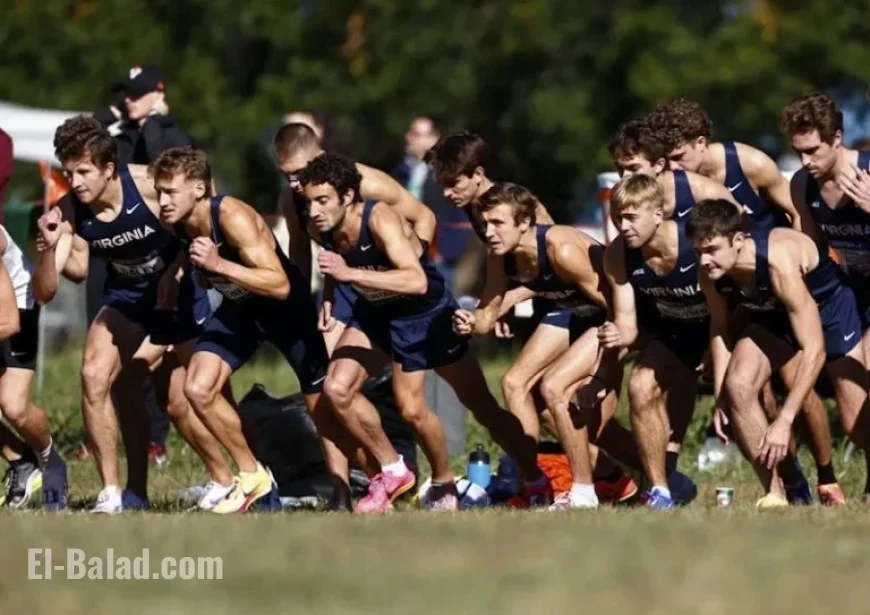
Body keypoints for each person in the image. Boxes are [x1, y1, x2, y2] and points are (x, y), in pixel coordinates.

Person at [298, 153, 553, 511]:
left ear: (348, 196)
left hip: (425, 315)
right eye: (308, 202)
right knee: (336, 388)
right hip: (374, 314)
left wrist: (349, 276)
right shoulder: (319, 227)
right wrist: (329, 297)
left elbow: (416, 281)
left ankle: (533, 477)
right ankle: (392, 469)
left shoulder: (381, 218)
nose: (313, 210)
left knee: (465, 407)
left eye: (322, 200)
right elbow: (334, 265)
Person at [150, 146, 379, 513]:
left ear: (198, 189)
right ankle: (252, 476)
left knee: (323, 413)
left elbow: (280, 285)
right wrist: (174, 272)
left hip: (286, 311)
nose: (162, 201)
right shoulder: (174, 218)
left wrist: (218, 266)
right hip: (242, 309)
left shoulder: (233, 215)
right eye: (159, 192)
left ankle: (377, 481)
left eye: (170, 192)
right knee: (198, 386)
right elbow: (187, 244)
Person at [425, 130, 638, 504]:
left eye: (452, 182)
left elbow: (553, 263)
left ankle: (643, 476)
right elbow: (508, 279)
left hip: (594, 307)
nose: (446, 193)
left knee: (579, 409)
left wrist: (506, 302)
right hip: (563, 304)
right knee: (518, 386)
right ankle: (538, 481)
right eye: (441, 184)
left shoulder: (518, 207)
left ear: (477, 174)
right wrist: (485, 314)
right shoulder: (483, 215)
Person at [34, 116, 234, 513]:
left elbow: (205, 204)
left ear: (109, 169)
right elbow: (46, 291)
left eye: (84, 172)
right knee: (96, 375)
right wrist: (47, 246)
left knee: (183, 401)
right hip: (127, 298)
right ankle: (116, 493)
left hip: (177, 291)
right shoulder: (70, 210)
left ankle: (237, 477)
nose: (75, 183)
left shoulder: (145, 183)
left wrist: (179, 269)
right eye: (68, 172)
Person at [648, 99, 836, 503]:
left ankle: (826, 476)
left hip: (786, 277)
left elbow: (798, 212)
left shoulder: (750, 164)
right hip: (740, 291)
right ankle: (785, 485)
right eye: (666, 160)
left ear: (701, 142)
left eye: (679, 156)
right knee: (744, 388)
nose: (673, 168)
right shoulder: (680, 192)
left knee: (794, 380)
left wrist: (808, 264)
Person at [686, 199, 870, 506]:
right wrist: (721, 396)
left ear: (738, 240)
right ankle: (777, 493)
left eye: (712, 249)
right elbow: (720, 329)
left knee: (856, 425)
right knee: (738, 386)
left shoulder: (777, 263)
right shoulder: (710, 272)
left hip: (830, 311)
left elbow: (814, 348)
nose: (704, 260)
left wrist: (785, 420)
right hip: (776, 314)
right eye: (698, 251)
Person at [601, 174, 724, 508]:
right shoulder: (619, 255)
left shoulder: (694, 243)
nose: (623, 226)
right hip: (674, 330)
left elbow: (725, 309)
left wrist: (713, 350)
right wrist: (614, 335)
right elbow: (627, 324)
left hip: (722, 327)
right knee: (640, 386)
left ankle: (790, 486)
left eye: (630, 217)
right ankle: (660, 491)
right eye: (618, 218)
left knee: (749, 398)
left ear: (658, 214)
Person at [781, 91, 870, 501]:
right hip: (847, 295)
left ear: (837, 138)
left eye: (813, 150)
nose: (805, 162)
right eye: (798, 152)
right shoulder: (803, 185)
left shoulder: (867, 173)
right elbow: (809, 250)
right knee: (853, 417)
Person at [0, 224, 68, 509]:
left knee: (13, 406)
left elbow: (8, 321)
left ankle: (51, 461)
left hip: (16, 305)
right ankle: (20, 460)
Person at [393, 117, 471, 291]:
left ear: (435, 138)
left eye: (425, 134)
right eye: (415, 134)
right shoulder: (399, 172)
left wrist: (448, 251)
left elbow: (461, 212)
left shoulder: (449, 172)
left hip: (438, 253)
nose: (419, 140)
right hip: (403, 248)